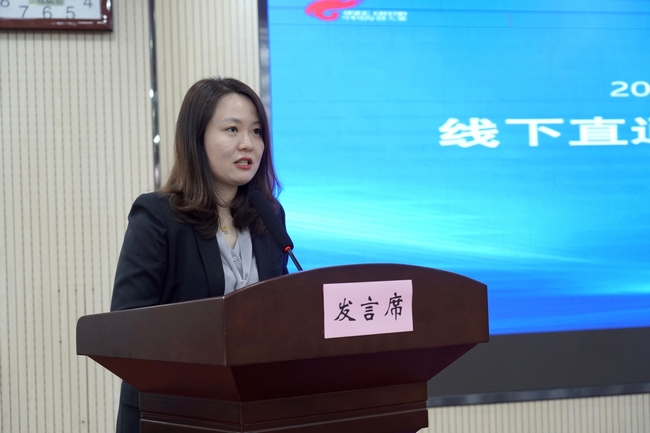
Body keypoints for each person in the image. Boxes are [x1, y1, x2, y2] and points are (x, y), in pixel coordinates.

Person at [110, 77, 289, 433]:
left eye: (256, 132)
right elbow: (126, 325)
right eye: (232, 129)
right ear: (197, 138)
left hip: (253, 411)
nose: (248, 143)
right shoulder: (158, 217)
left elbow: (283, 312)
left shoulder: (267, 216)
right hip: (172, 412)